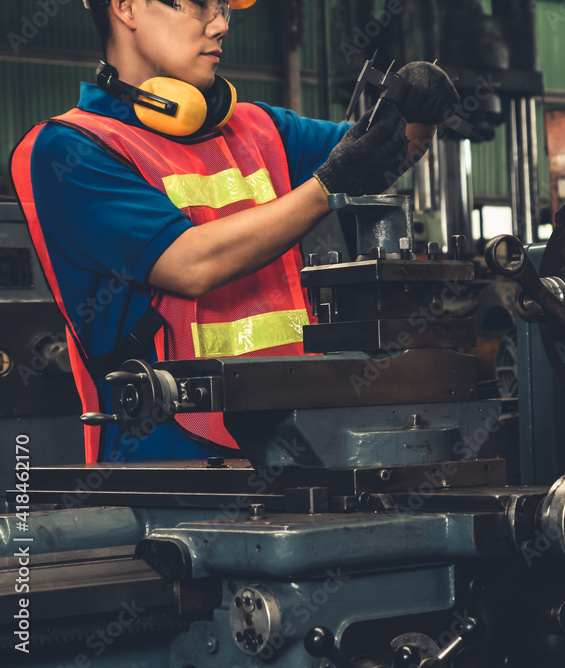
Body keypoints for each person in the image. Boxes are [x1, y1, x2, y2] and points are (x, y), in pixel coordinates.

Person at [10, 0, 459, 463]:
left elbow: (379, 155)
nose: (222, 24)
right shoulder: (68, 150)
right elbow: (190, 263)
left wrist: (419, 111)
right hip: (172, 470)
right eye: (200, 4)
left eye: (224, 7)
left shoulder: (260, 128)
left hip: (302, 447)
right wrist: (327, 188)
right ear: (126, 8)